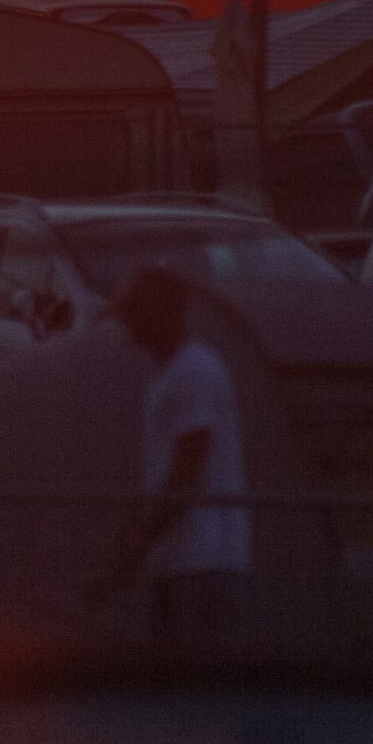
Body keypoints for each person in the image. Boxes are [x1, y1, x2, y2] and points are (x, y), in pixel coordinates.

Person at [86, 266, 252, 654]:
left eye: (133, 310)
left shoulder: (194, 372)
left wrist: (138, 543)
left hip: (202, 562)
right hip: (181, 562)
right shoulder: (176, 373)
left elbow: (187, 467)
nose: (126, 322)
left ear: (163, 311)